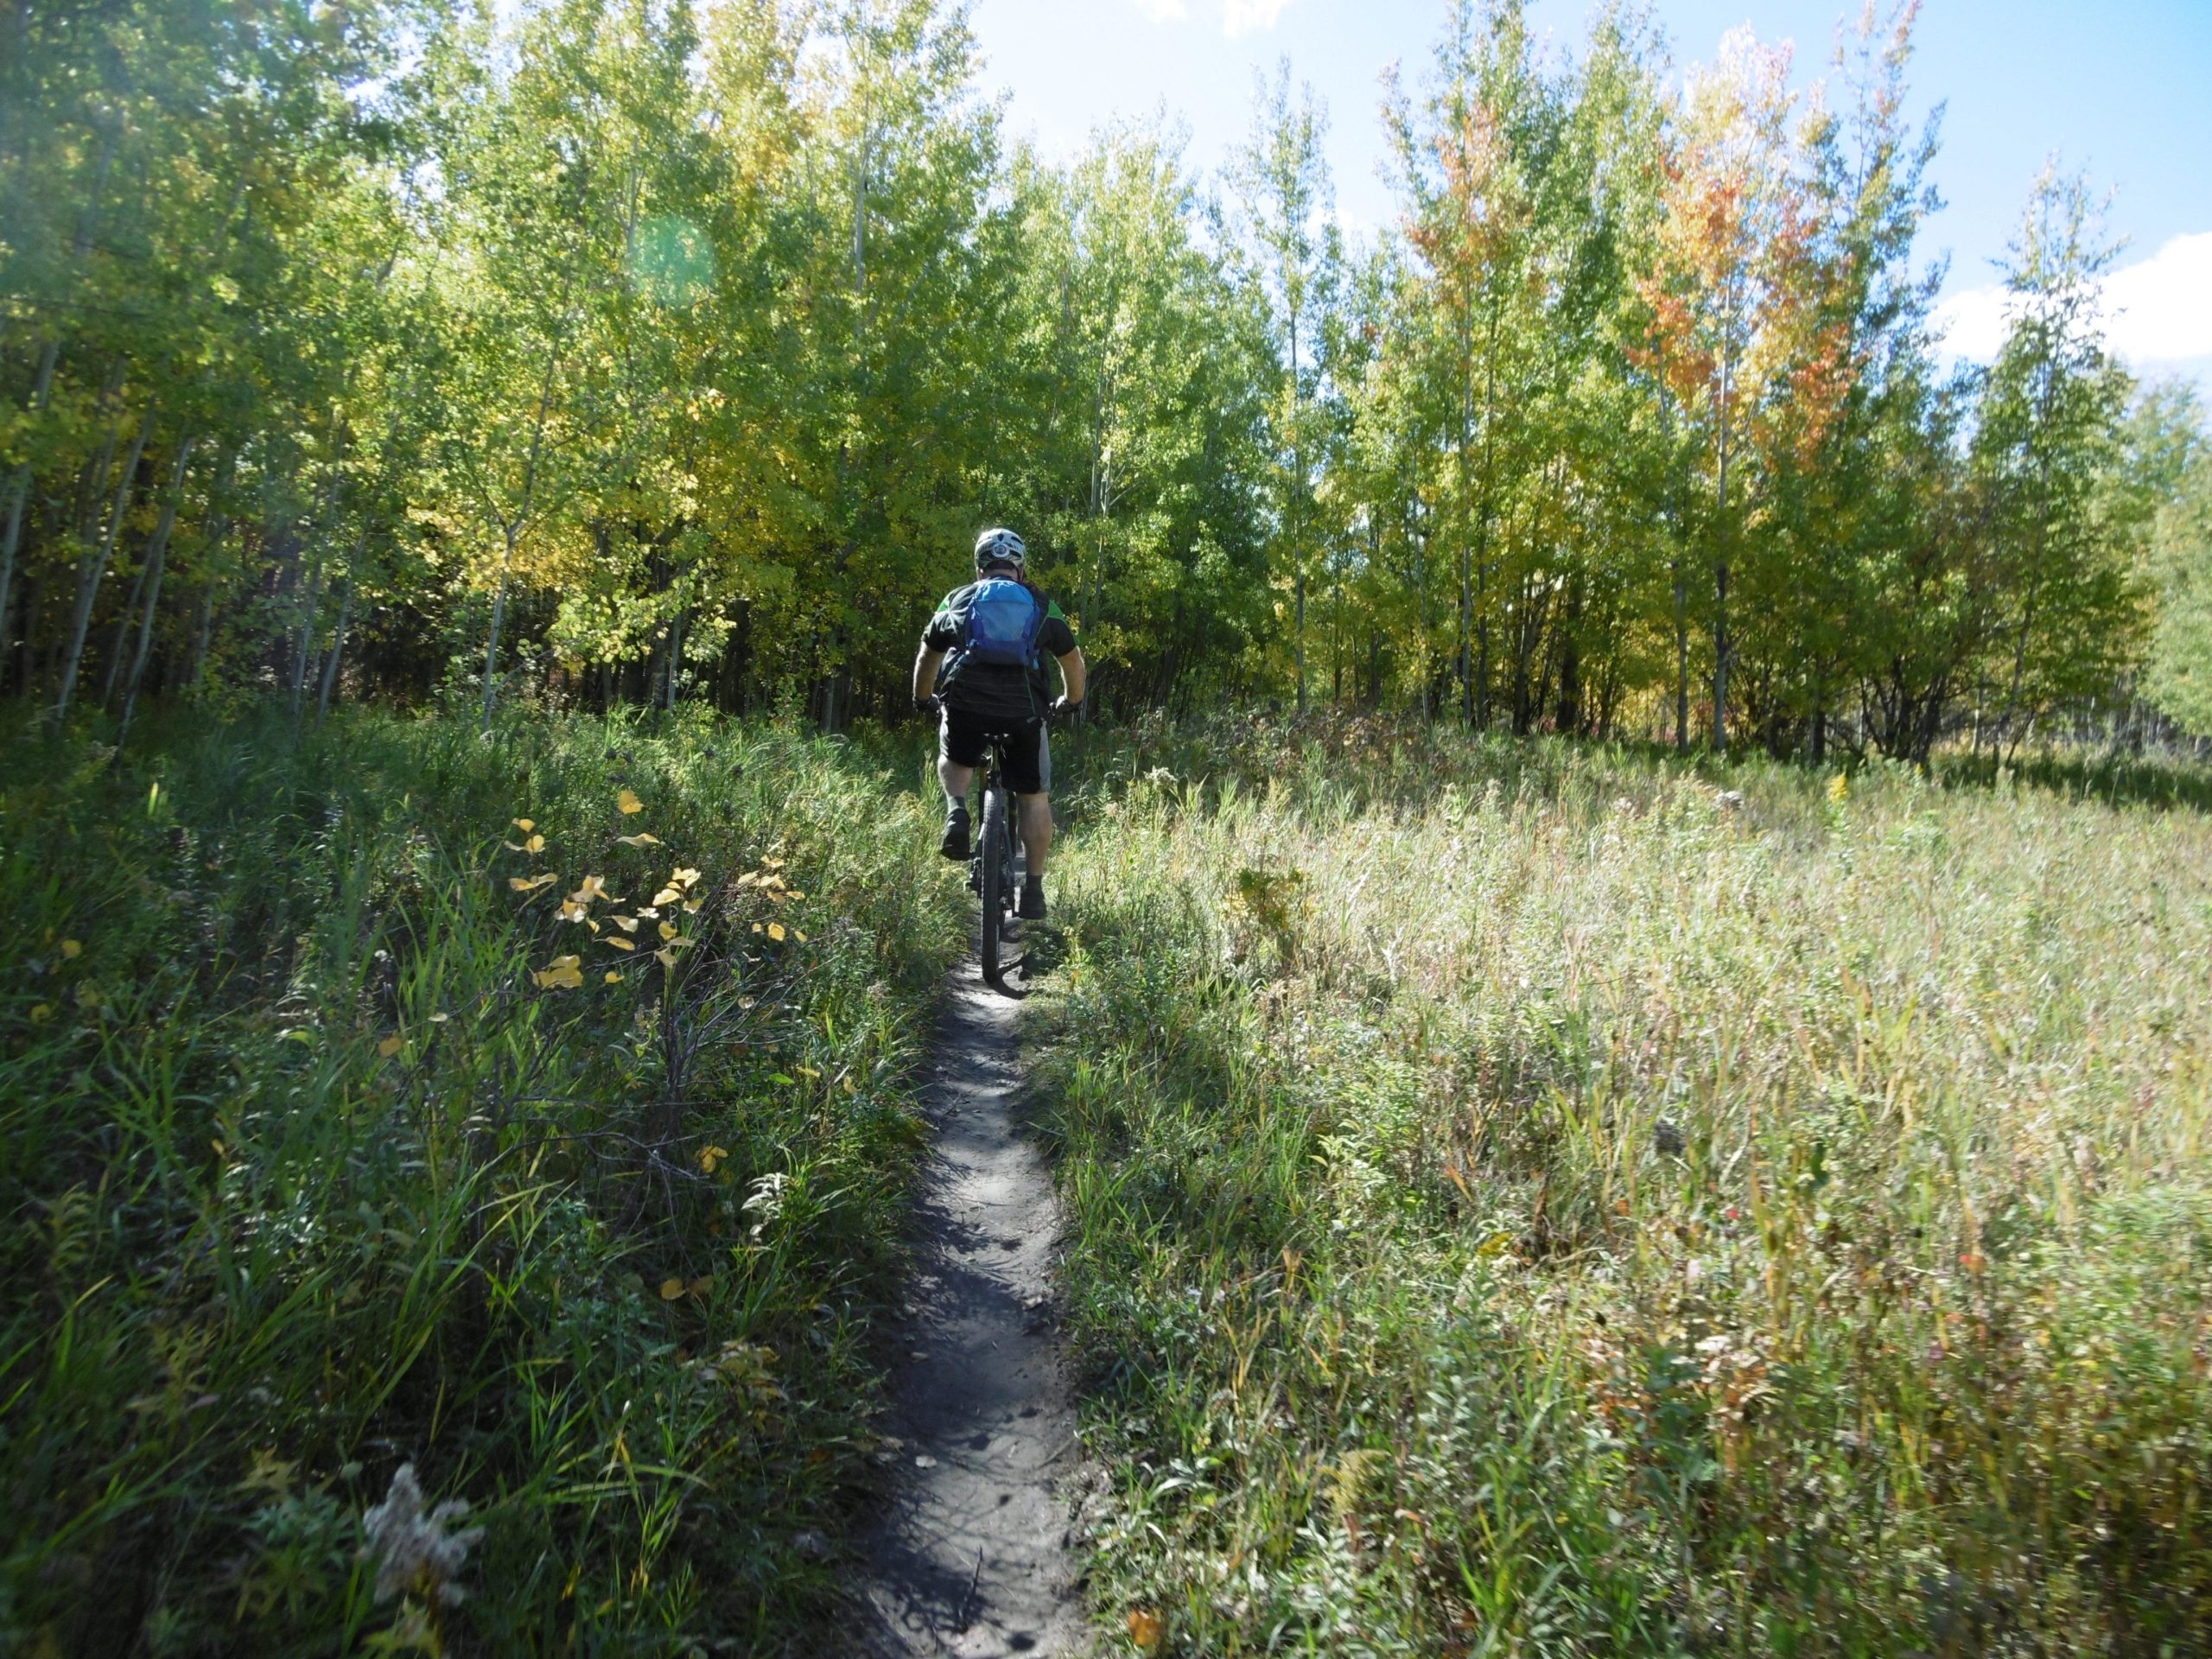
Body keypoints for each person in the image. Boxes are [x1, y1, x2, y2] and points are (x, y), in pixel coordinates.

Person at [912, 527, 1085, 920]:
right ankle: (1036, 890)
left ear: (979, 568)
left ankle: (957, 811)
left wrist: (922, 699)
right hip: (1024, 713)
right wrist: (1071, 701)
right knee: (1034, 797)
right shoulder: (1042, 605)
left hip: (967, 707)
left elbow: (928, 656)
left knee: (954, 755)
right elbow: (1071, 661)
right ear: (1020, 570)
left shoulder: (958, 598)